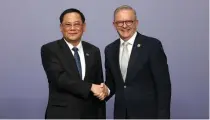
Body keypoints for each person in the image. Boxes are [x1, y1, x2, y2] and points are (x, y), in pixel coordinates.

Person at [103, 5, 171, 119]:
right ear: (114, 24)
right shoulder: (110, 49)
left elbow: (163, 86)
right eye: (120, 22)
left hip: (148, 115)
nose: (124, 26)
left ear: (136, 23)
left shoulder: (152, 46)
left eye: (129, 21)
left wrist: (163, 117)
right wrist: (102, 91)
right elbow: (112, 82)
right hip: (121, 115)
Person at [41, 8, 106, 119]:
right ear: (61, 28)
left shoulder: (93, 50)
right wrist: (90, 87)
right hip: (62, 114)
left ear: (83, 27)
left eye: (76, 24)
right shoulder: (50, 49)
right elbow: (60, 79)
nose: (72, 28)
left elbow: (98, 85)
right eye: (68, 24)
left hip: (90, 114)